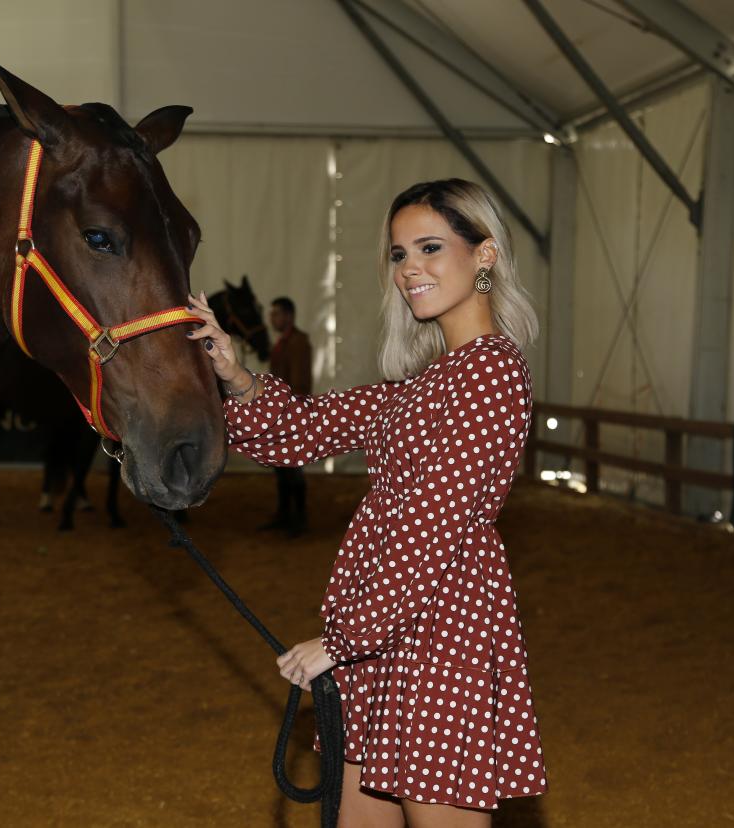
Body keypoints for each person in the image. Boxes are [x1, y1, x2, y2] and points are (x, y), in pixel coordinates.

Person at [187, 178, 544, 827]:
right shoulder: (420, 386)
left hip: (440, 634)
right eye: (399, 254)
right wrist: (233, 372)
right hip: (383, 638)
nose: (411, 269)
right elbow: (303, 428)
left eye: (430, 247)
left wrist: (344, 639)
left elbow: (434, 520)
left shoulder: (490, 370)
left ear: (484, 255)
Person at [260, 296, 313, 536]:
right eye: (272, 315)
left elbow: (300, 383)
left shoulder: (298, 342)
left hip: (291, 414)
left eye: (277, 314)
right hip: (280, 414)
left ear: (289, 316)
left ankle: (299, 518)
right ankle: (284, 513)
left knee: (293, 468)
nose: (272, 319)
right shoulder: (282, 343)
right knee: (281, 468)